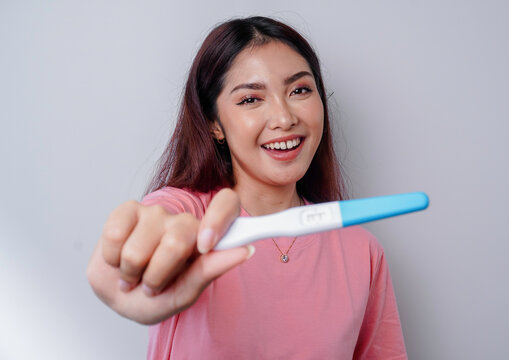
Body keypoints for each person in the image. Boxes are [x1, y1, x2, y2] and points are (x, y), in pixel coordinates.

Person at [87, 16, 407, 359]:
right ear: (215, 125)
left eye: (299, 90)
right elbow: (141, 239)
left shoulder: (362, 251)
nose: (284, 118)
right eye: (251, 99)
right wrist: (124, 279)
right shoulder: (189, 216)